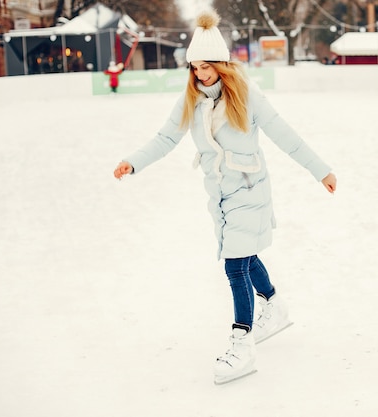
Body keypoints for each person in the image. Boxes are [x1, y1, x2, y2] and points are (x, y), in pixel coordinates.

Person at [113, 9, 337, 385]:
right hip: (219, 197)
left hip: (251, 190)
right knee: (245, 258)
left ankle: (242, 343)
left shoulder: (247, 94)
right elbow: (166, 138)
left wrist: (321, 170)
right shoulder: (191, 99)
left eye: (206, 67)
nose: (200, 75)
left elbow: (284, 133)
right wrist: (132, 163)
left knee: (235, 264)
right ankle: (274, 305)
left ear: (221, 63)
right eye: (194, 68)